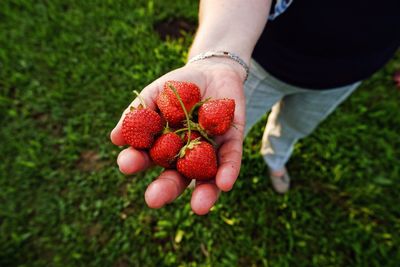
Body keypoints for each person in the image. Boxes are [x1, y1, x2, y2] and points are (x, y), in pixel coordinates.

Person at [110, 0, 400, 215]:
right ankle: (236, 153)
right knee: (233, 128)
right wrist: (220, 54)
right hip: (258, 61)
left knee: (297, 125)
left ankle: (276, 157)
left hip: (346, 74)